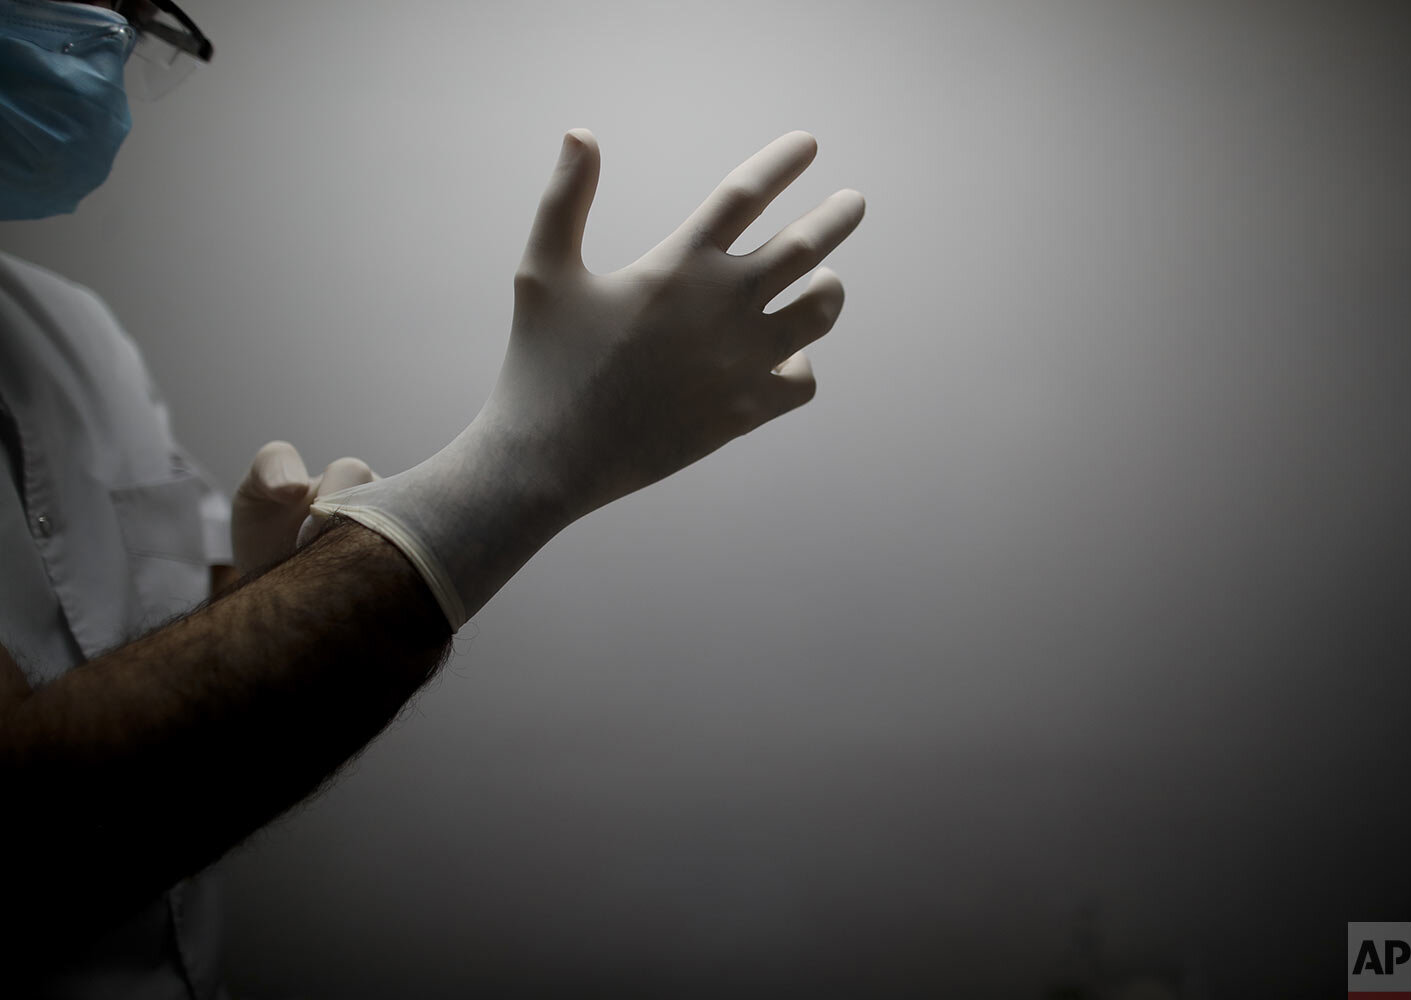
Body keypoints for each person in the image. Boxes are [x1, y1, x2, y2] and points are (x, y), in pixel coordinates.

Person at [0, 0, 866, 994]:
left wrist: (261, 601)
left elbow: (147, 716)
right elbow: (27, 828)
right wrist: (537, 461)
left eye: (142, 13)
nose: (112, 35)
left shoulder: (73, 337)